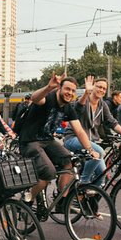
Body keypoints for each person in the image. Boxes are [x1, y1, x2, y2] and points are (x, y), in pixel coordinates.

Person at [20, 73, 100, 213]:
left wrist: (90, 149)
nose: (70, 93)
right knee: (48, 172)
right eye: (67, 89)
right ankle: (28, 198)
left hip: (48, 141)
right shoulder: (49, 99)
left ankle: (62, 200)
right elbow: (35, 98)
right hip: (30, 141)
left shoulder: (68, 107)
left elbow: (80, 131)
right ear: (59, 89)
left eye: (73, 91)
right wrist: (48, 87)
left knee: (70, 162)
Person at [64, 76, 121, 186]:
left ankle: (87, 201)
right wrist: (86, 93)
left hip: (90, 141)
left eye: (104, 89)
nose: (101, 90)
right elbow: (78, 108)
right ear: (93, 87)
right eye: (99, 87)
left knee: (102, 174)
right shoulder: (83, 100)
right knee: (100, 152)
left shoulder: (102, 104)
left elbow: (112, 122)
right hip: (73, 138)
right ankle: (83, 183)